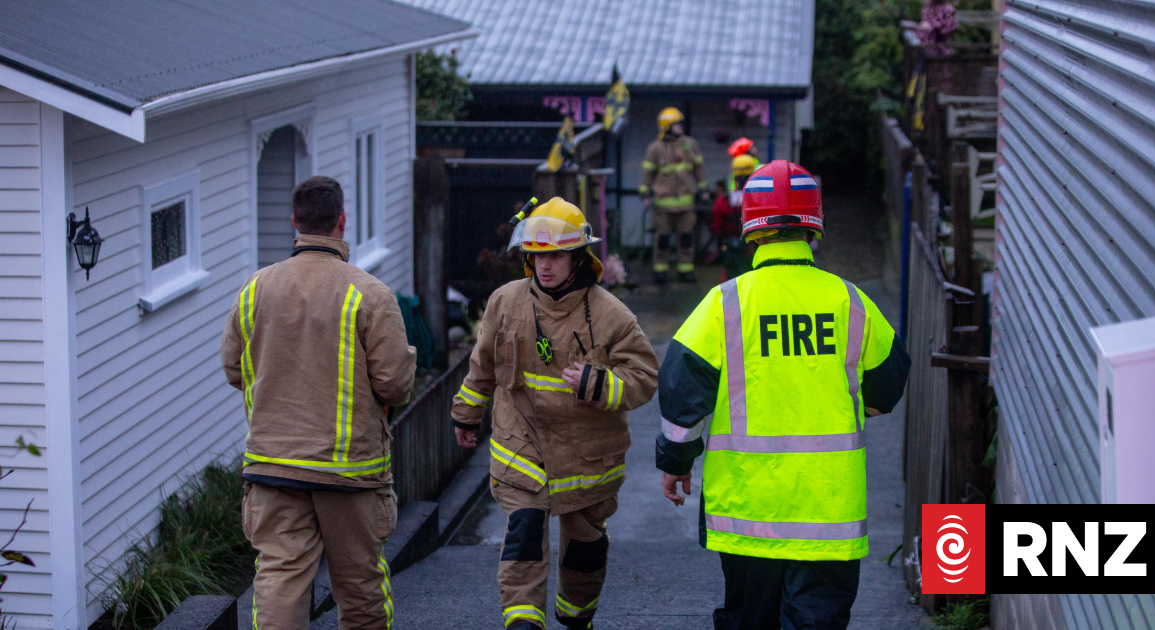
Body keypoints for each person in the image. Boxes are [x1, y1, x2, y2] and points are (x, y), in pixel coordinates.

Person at [655, 160, 911, 630]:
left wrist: (676, 461)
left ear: (750, 230)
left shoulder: (724, 304)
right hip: (828, 512)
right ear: (814, 228)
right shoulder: (850, 301)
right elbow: (888, 385)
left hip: (748, 515)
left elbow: (681, 392)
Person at [452, 198, 659, 630]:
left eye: (556, 255)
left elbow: (644, 376)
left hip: (587, 456)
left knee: (584, 549)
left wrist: (600, 385)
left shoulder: (610, 315)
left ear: (579, 257)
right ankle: (523, 622)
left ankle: (575, 615)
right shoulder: (505, 303)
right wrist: (466, 415)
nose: (544, 266)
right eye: (537, 256)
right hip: (521, 445)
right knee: (524, 535)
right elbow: (483, 365)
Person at [221, 176, 417, 630]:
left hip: (271, 466)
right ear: (341, 221)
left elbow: (235, 369)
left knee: (278, 584)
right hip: (349, 472)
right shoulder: (370, 294)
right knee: (361, 591)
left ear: (295, 223)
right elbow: (395, 385)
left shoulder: (255, 290)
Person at [640, 106, 708, 285]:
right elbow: (648, 173)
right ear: (666, 126)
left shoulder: (690, 144)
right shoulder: (655, 148)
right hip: (663, 205)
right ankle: (660, 271)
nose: (680, 127)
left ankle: (685, 270)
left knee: (686, 238)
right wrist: (644, 192)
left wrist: (703, 188)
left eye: (680, 124)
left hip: (686, 204)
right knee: (662, 239)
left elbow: (698, 168)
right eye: (676, 124)